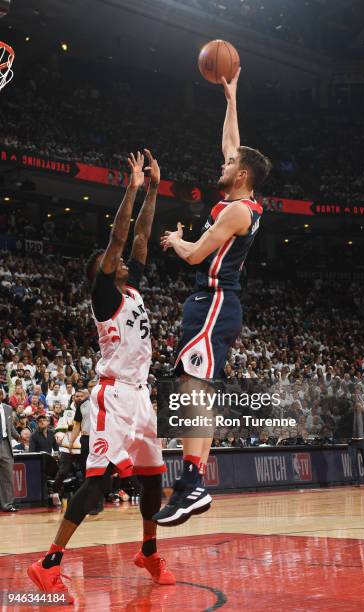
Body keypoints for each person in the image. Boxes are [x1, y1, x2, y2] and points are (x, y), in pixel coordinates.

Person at [27, 150, 174, 602]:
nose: (126, 261)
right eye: (115, 263)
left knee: (153, 482)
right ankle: (48, 563)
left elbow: (142, 236)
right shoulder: (104, 296)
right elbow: (119, 237)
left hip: (141, 397)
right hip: (113, 397)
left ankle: (148, 550)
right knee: (97, 485)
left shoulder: (131, 289)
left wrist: (153, 189)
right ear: (102, 275)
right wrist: (130, 188)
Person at [155, 68, 271, 526]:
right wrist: (231, 100)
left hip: (216, 299)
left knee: (192, 386)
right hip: (210, 303)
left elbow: (195, 256)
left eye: (227, 166)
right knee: (191, 386)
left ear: (241, 176)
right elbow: (232, 143)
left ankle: (192, 483)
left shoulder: (238, 212)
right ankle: (191, 482)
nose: (220, 165)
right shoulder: (238, 195)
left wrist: (175, 240)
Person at [0, 387, 20, 512]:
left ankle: (7, 505)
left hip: (5, 444)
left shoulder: (7, 408)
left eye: (0, 393)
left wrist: (19, 437)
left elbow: (10, 427)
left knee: (7, 477)